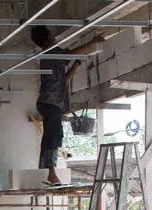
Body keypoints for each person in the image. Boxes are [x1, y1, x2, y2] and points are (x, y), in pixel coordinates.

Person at [30, 26, 104, 184]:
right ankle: (50, 172)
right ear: (49, 36)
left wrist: (76, 65)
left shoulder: (50, 56)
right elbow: (70, 53)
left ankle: (46, 169)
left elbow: (64, 81)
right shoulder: (51, 51)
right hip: (50, 102)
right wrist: (93, 41)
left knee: (51, 134)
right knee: (54, 135)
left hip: (50, 102)